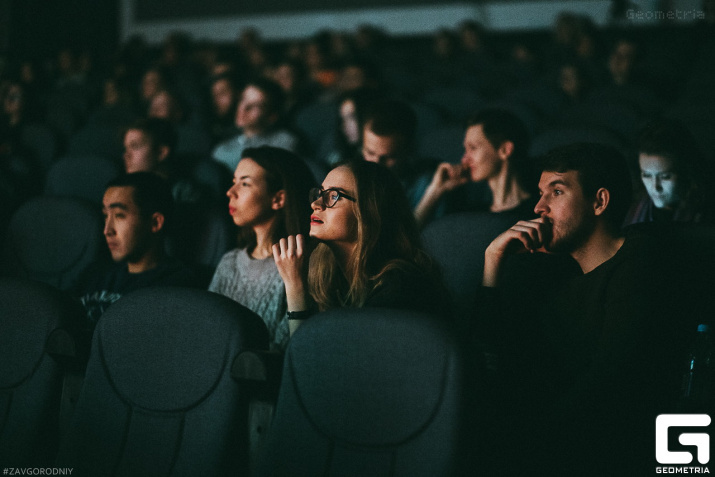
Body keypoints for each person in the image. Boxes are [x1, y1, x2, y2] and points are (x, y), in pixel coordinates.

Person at [477, 142, 685, 475]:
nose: (539, 207)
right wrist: (493, 263)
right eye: (541, 193)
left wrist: (520, 444)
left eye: (556, 192)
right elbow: (491, 364)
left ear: (599, 201)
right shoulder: (553, 276)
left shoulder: (641, 264)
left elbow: (607, 386)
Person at [272, 160, 450, 335]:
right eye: (320, 193)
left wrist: (295, 287)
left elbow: (311, 358)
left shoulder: (400, 287)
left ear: (369, 212)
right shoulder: (326, 270)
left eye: (334, 196)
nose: (316, 204)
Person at [208, 146, 316, 351]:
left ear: (278, 199)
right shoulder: (229, 261)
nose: (230, 192)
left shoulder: (299, 264)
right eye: (233, 182)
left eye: (245, 183)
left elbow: (293, 350)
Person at [76, 172, 203, 326]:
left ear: (155, 223)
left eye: (119, 215)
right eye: (105, 216)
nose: (107, 230)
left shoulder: (176, 287)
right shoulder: (96, 271)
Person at [414, 108, 536, 228]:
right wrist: (435, 190)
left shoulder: (537, 211)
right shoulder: (470, 214)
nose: (464, 159)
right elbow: (406, 239)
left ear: (505, 150)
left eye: (472, 148)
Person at [624, 118, 714, 225]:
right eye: (646, 175)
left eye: (665, 177)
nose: (655, 187)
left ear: (685, 172)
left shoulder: (707, 214)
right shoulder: (634, 207)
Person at [211, 78, 299, 174]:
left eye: (255, 105)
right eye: (243, 99)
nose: (243, 108)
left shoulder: (284, 141)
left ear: (271, 116)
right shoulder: (222, 149)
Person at [359, 99, 434, 210]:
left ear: (408, 150)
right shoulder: (350, 178)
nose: (376, 163)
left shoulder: (427, 184)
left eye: (389, 157)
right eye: (370, 153)